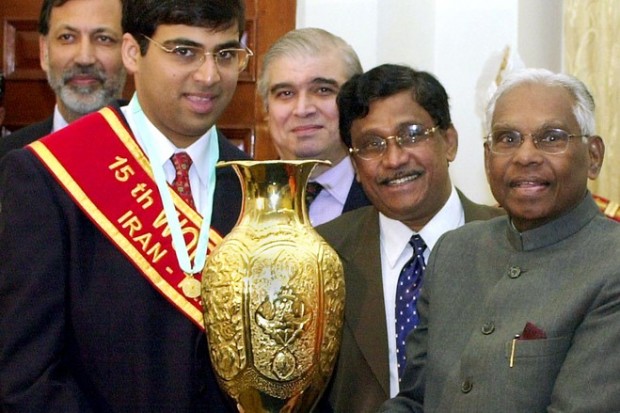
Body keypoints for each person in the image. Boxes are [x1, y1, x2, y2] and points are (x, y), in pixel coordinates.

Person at [0, 0, 252, 411]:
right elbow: (26, 377)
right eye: (184, 52)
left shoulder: (257, 184)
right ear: (133, 52)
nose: (209, 75)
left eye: (225, 54)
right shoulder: (47, 175)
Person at [379, 68, 620, 412]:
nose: (525, 156)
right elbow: (415, 400)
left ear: (593, 156)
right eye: (507, 139)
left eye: (551, 137)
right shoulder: (454, 251)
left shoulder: (612, 263)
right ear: (487, 157)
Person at [314, 64, 504, 413]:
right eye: (371, 145)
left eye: (412, 134)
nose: (395, 158)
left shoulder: (515, 242)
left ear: (449, 141)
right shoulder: (319, 255)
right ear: (355, 165)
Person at [257, 27, 370, 226]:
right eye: (285, 93)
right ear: (266, 110)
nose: (302, 110)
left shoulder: (388, 200)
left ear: (355, 103)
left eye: (323, 90)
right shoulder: (236, 198)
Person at [0, 0, 127, 160]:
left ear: (130, 52)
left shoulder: (160, 154)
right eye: (67, 37)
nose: (84, 58)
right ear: (44, 52)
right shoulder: (7, 158)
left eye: (103, 38)